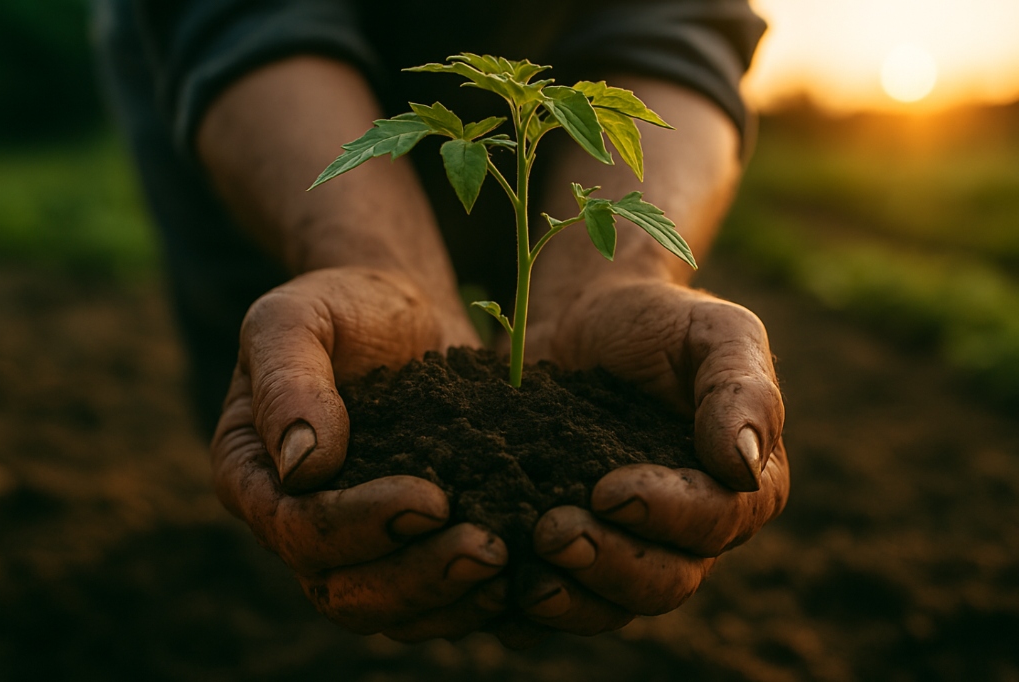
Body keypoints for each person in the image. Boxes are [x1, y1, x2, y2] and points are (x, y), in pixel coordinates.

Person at [93, 0, 790, 646]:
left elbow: (680, 20)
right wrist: (362, 255)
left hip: (554, 48)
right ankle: (280, 605)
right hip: (250, 87)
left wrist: (620, 275)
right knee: (283, 378)